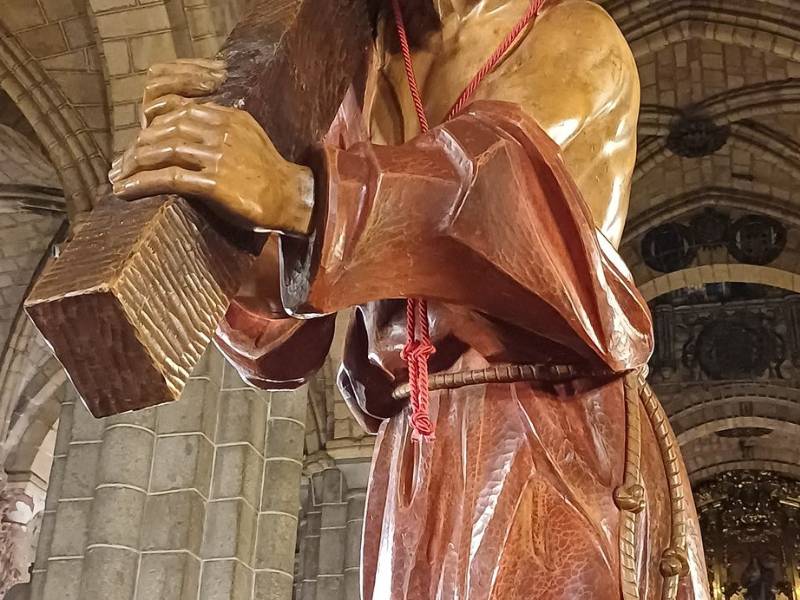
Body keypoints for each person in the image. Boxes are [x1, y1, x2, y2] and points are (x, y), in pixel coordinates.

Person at [109, 1, 709, 597]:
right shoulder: (359, 66)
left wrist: (292, 192)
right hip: (414, 448)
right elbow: (284, 311)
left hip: (548, 424)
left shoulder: (574, 34)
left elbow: (489, 198)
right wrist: (203, 186)